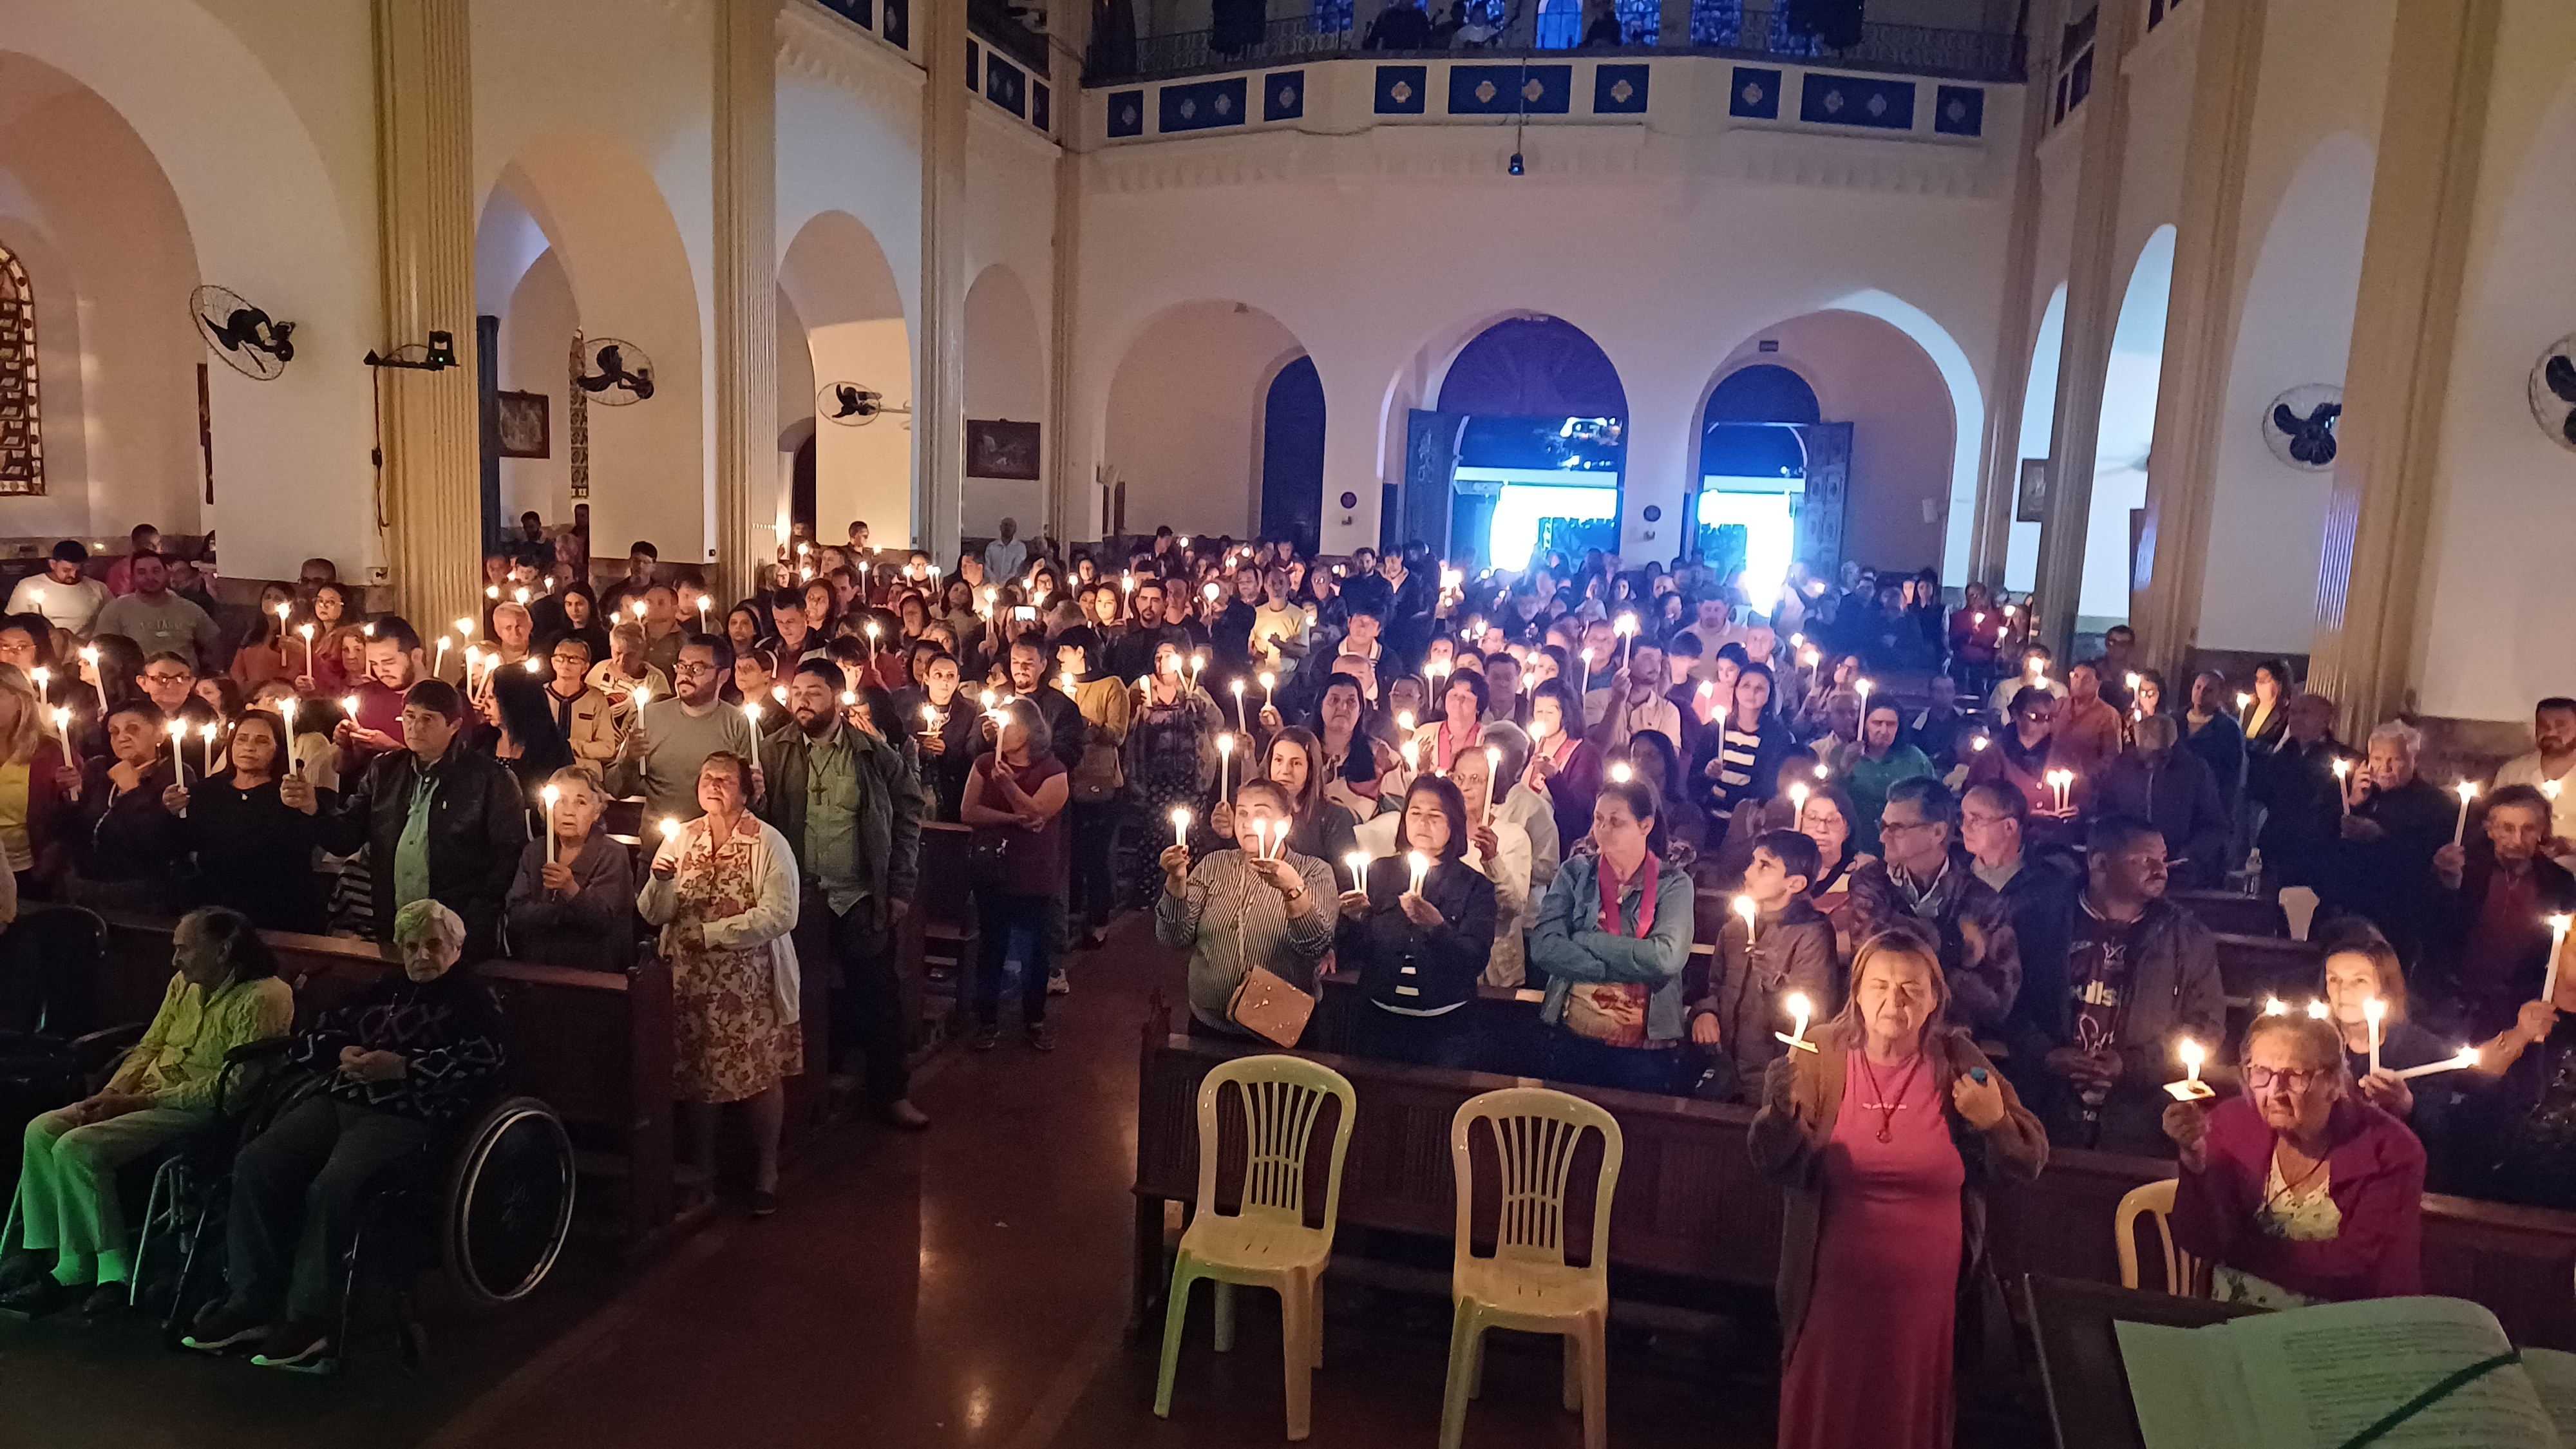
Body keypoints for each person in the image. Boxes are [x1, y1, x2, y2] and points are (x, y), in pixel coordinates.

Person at [1750, 925, 2047, 1449]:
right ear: (1857, 993)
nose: (1895, 1000)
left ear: (1935, 1000)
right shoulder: (1820, 1052)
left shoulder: (1957, 1058)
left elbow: (2030, 1158)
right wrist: (1779, 1114)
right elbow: (1773, 1161)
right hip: (1832, 1291)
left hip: (1925, 1302)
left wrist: (1996, 1122)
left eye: (1912, 988)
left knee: (1903, 1418)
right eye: (1880, 986)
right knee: (1828, 1413)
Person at [181, 900, 504, 1368]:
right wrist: (343, 1053)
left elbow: (487, 1060)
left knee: (333, 1186)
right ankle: (250, 1302)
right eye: (411, 946)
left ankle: (310, 1320)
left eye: (434, 945)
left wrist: (406, 1066)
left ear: (456, 947)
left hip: (411, 1112)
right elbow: (318, 1035)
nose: (421, 956)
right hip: (340, 1097)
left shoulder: (473, 998)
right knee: (257, 1161)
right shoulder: (382, 989)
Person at [1, 908, 292, 1319]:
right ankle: (56, 1257)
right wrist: (112, 1092)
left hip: (199, 1107)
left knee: (79, 1147)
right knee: (42, 1129)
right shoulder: (183, 984)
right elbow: (150, 1045)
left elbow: (234, 1088)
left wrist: (136, 1103)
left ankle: (112, 1276)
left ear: (223, 950)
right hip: (144, 1094)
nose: (175, 960)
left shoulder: (265, 996)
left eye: (184, 949)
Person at [757, 661, 926, 1126]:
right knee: (798, 994)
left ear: (836, 698)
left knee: (877, 993)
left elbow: (909, 812)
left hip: (858, 894)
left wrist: (900, 886)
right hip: (797, 897)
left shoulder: (871, 753)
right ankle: (809, 1088)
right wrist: (754, 796)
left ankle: (890, 1093)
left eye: (813, 693)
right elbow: (757, 823)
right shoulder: (772, 752)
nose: (801, 702)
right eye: (796, 693)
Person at [2165, 1010, 2426, 1307]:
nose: (2274, 1092)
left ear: (2333, 1083)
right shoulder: (2231, 1123)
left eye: (2296, 1076)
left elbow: (2355, 1268)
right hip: (2231, 1318)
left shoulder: (2390, 1149)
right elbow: (2200, 1239)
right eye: (2261, 1073)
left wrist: (2239, 1249)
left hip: (2346, 1324)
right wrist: (2194, 1159)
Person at [639, 753, 802, 1216]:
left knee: (760, 1074)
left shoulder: (768, 842)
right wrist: (660, 883)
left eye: (725, 779)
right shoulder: (682, 836)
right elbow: (653, 913)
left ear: (745, 792)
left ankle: (766, 1169)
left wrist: (713, 934)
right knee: (698, 1072)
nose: (713, 784)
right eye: (707, 777)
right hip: (689, 981)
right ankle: (704, 1168)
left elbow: (781, 914)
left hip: (750, 983)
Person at [2006, 815, 2224, 1153]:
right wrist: (2047, 1054)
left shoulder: (2185, 936)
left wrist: (2131, 1064)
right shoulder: (2041, 921)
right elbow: (2011, 1005)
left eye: (2163, 859)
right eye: (2145, 860)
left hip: (2139, 1119)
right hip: (2045, 1108)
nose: (2160, 870)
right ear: (2101, 864)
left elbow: (2206, 1025)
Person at [308, 679, 527, 961]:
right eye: (410, 717)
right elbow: (346, 838)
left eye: (428, 719)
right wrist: (314, 809)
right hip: (396, 925)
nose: (415, 727)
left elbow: (508, 857)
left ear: (454, 725)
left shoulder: (490, 780)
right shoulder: (385, 770)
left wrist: (475, 915)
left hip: (460, 929)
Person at [1529, 777, 1695, 1094]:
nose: (1602, 830)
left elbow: (1666, 958)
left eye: (1616, 822)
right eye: (1598, 819)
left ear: (1646, 826)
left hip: (1645, 1049)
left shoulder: (1674, 883)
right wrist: (1612, 969)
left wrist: (1587, 940)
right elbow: (1544, 947)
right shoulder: (1575, 872)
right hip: (1572, 1035)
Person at [1334, 776, 1498, 1068]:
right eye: (1415, 813)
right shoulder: (1377, 873)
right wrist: (1352, 920)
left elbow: (1474, 961)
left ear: (1454, 824)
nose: (1423, 823)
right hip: (1378, 1024)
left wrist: (1438, 928)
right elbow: (1357, 951)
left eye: (1435, 816)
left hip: (1445, 1032)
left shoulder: (1474, 886)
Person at [1157, 777, 1335, 1040]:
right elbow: (1173, 938)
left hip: (1280, 1029)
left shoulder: (1314, 872)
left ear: (1286, 823)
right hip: (1210, 1027)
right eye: (1242, 813)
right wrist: (1176, 880)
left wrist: (1292, 891)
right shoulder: (1214, 865)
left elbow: (1315, 947)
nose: (1248, 822)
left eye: (1261, 814)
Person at [1844, 778, 2021, 1035]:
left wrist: (1912, 954)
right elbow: (1870, 954)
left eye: (1897, 828)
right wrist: (1955, 946)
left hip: (1951, 1038)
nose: (1883, 838)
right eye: (1882, 826)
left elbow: (1999, 999)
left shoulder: (1983, 900)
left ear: (1938, 833)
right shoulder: (1871, 882)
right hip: (1878, 1029)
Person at [1689, 830, 1837, 1102]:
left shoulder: (1812, 934)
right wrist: (1706, 1012)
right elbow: (1713, 985)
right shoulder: (1735, 929)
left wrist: (1774, 984)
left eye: (1765, 866)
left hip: (1772, 1078)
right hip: (1724, 1070)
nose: (1748, 873)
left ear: (1795, 883)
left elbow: (1812, 1019)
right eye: (1753, 862)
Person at [2422, 782, 2576, 1040]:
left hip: (2515, 1006)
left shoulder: (2559, 883)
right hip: (2450, 1001)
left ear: (2543, 831)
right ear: (2490, 829)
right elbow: (2432, 931)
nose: (2517, 840)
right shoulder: (2462, 867)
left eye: (2529, 829)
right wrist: (2445, 886)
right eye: (2507, 828)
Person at [960, 701, 1070, 1052]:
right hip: (993, 870)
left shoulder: (1053, 770)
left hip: (1034, 872)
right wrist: (1010, 819)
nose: (1002, 731)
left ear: (1031, 731)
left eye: (1011, 725)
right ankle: (987, 1021)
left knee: (1034, 951)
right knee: (991, 945)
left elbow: (1037, 814)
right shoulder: (984, 763)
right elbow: (968, 811)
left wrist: (1009, 787)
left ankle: (1034, 1020)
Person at [161, 710, 332, 933]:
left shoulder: (294, 794)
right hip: (218, 910)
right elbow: (177, 845)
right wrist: (171, 813)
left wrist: (312, 808)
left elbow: (331, 839)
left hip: (282, 912)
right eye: (242, 739)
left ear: (278, 748)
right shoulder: (206, 792)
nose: (249, 747)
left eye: (261, 741)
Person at [2320, 719, 2453, 967]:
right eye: (2377, 758)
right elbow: (2321, 842)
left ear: (2414, 760)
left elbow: (2426, 862)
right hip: (2344, 908)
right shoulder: (2349, 793)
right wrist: (2353, 803)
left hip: (2398, 916)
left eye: (2395, 759)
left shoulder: (2436, 805)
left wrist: (2380, 838)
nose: (2384, 767)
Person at [608, 636, 760, 824]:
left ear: (723, 676)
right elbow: (617, 789)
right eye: (681, 667)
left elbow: (753, 799)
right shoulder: (649, 717)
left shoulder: (740, 725)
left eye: (697, 669)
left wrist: (755, 795)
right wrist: (629, 761)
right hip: (659, 839)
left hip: (718, 838)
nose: (685, 675)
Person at [53, 699, 182, 914]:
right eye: (114, 732)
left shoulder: (174, 774)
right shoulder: (98, 768)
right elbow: (74, 830)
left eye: (133, 729)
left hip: (139, 894)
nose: (122, 737)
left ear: (159, 734)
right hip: (85, 886)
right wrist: (70, 796)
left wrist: (132, 791)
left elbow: (157, 841)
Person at [503, 768, 637, 972]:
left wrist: (571, 890)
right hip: (537, 967)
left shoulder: (612, 855)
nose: (568, 811)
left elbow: (604, 921)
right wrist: (560, 914)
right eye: (560, 801)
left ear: (596, 812)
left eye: (580, 802)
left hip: (592, 970)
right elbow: (516, 913)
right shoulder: (535, 851)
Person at [2098, 714, 2230, 888]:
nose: (2153, 763)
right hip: (2129, 868)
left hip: (2178, 871)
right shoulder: (2123, 767)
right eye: (2146, 755)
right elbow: (2105, 812)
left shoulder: (2195, 772)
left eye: (2160, 756)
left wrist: (2189, 855)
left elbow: (2213, 825)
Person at [91, 553, 221, 670]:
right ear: (133, 578)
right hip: (139, 684)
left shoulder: (190, 609)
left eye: (156, 571)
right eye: (142, 572)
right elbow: (103, 652)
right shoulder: (115, 610)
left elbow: (216, 645)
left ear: (167, 574)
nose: (150, 577)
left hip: (186, 682)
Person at [1843, 701, 1935, 860]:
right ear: (1864, 724)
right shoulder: (1843, 755)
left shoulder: (1915, 758)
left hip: (1905, 847)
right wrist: (1844, 767)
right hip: (1857, 847)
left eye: (1891, 724)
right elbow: (1833, 797)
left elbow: (1934, 797)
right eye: (1877, 723)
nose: (1884, 731)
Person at [2494, 696, 2576, 849]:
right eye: (2544, 726)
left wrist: (2569, 846)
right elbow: (2490, 822)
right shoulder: (2513, 772)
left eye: (2561, 725)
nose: (2551, 732)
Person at [2179, 671, 2247, 813]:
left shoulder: (2228, 729)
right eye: (2198, 687)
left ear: (2219, 695)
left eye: (2209, 690)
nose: (2201, 693)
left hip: (2208, 804)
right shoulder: (2175, 721)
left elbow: (2231, 776)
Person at [7, 540, 108, 636]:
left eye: (79, 571)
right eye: (66, 570)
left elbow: (111, 620)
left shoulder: (98, 588)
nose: (73, 575)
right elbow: (13, 625)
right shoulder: (28, 586)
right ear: (53, 564)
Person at [983, 518, 1029, 584]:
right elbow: (987, 566)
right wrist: (993, 581)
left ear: (1015, 530)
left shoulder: (1020, 547)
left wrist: (1004, 582)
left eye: (1011, 526)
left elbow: (1017, 568)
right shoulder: (991, 546)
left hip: (1012, 584)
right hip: (992, 584)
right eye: (1005, 525)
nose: (1007, 528)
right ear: (1000, 527)